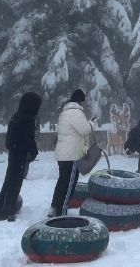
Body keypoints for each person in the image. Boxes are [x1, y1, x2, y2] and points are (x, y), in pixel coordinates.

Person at [48, 88, 95, 218]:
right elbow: (84, 130)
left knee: (62, 181)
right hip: (72, 155)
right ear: (80, 100)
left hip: (63, 154)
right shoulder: (76, 112)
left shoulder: (65, 112)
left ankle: (54, 206)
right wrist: (92, 122)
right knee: (69, 183)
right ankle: (61, 211)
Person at [0, 91, 42, 221]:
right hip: (20, 154)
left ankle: (3, 206)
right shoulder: (27, 119)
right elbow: (29, 139)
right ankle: (7, 210)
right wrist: (33, 152)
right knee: (15, 182)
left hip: (14, 152)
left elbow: (10, 140)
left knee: (9, 179)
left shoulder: (16, 116)